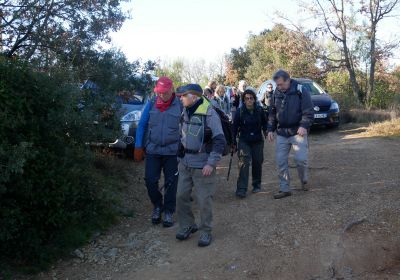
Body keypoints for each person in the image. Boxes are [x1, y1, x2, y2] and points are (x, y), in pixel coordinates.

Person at [175, 84, 226, 247]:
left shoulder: (209, 113)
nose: (180, 98)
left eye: (184, 95)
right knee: (181, 196)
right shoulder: (185, 111)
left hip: (203, 165)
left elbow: (219, 140)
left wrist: (211, 163)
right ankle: (188, 225)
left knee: (204, 200)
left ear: (194, 97)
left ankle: (206, 232)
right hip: (185, 163)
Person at [134, 77, 182, 226]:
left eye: (165, 92)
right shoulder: (151, 103)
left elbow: (187, 126)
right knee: (150, 180)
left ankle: (168, 211)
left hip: (172, 151)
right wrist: (138, 146)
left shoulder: (180, 105)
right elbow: (142, 125)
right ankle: (157, 205)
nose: (162, 95)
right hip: (153, 150)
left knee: (171, 183)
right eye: (159, 92)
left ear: (171, 90)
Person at [267, 70, 314, 199]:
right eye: (277, 84)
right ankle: (284, 188)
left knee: (301, 160)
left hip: (297, 132)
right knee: (281, 161)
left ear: (288, 80)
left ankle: (304, 180)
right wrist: (270, 129)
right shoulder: (276, 93)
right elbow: (272, 113)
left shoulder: (300, 90)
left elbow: (308, 111)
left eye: (281, 84)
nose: (279, 87)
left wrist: (304, 126)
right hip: (282, 132)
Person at [232, 89, 268, 198]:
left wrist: (266, 132)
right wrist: (233, 142)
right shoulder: (240, 111)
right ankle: (241, 189)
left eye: (251, 98)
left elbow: (265, 123)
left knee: (257, 162)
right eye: (246, 98)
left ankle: (256, 184)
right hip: (244, 140)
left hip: (257, 140)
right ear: (243, 100)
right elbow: (234, 128)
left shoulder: (260, 110)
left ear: (254, 99)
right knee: (243, 163)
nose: (249, 100)